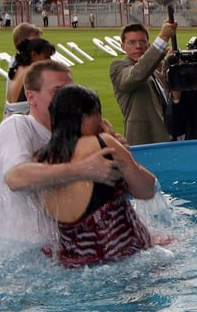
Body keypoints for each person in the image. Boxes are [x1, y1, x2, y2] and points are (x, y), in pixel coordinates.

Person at [0, 60, 121, 245]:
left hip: (62, 248)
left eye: (70, 91)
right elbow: (15, 178)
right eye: (57, 92)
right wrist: (83, 168)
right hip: (25, 250)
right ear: (31, 97)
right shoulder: (17, 126)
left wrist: (113, 151)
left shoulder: (75, 135)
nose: (67, 99)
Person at [36, 85, 157, 267]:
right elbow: (146, 190)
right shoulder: (103, 144)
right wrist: (120, 148)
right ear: (85, 117)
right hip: (125, 258)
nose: (101, 120)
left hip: (73, 264)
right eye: (98, 114)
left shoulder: (41, 159)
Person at [110, 20, 176, 145]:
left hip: (166, 140)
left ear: (148, 45)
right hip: (144, 142)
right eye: (131, 42)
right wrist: (163, 38)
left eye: (142, 41)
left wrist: (169, 62)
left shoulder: (154, 72)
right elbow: (136, 75)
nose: (138, 46)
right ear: (122, 46)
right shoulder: (118, 67)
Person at [4, 38, 54, 118]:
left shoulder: (18, 68)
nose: (50, 61)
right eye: (46, 57)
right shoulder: (32, 72)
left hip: (10, 120)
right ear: (34, 55)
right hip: (23, 123)